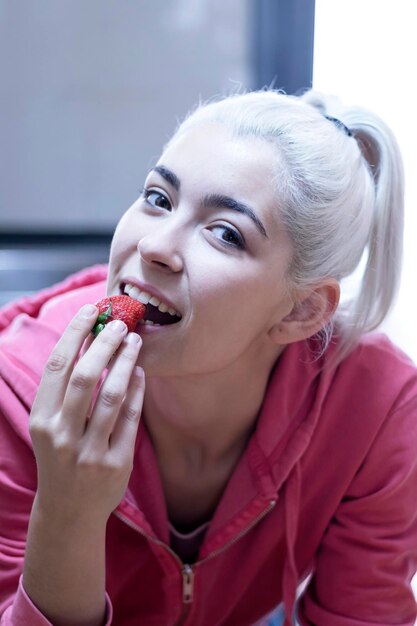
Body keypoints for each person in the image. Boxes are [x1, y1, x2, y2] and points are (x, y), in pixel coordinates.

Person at [0, 89, 416, 626]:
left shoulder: (376, 410)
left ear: (302, 311)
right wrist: (67, 512)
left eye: (224, 233)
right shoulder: (15, 392)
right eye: (157, 199)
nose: (155, 246)